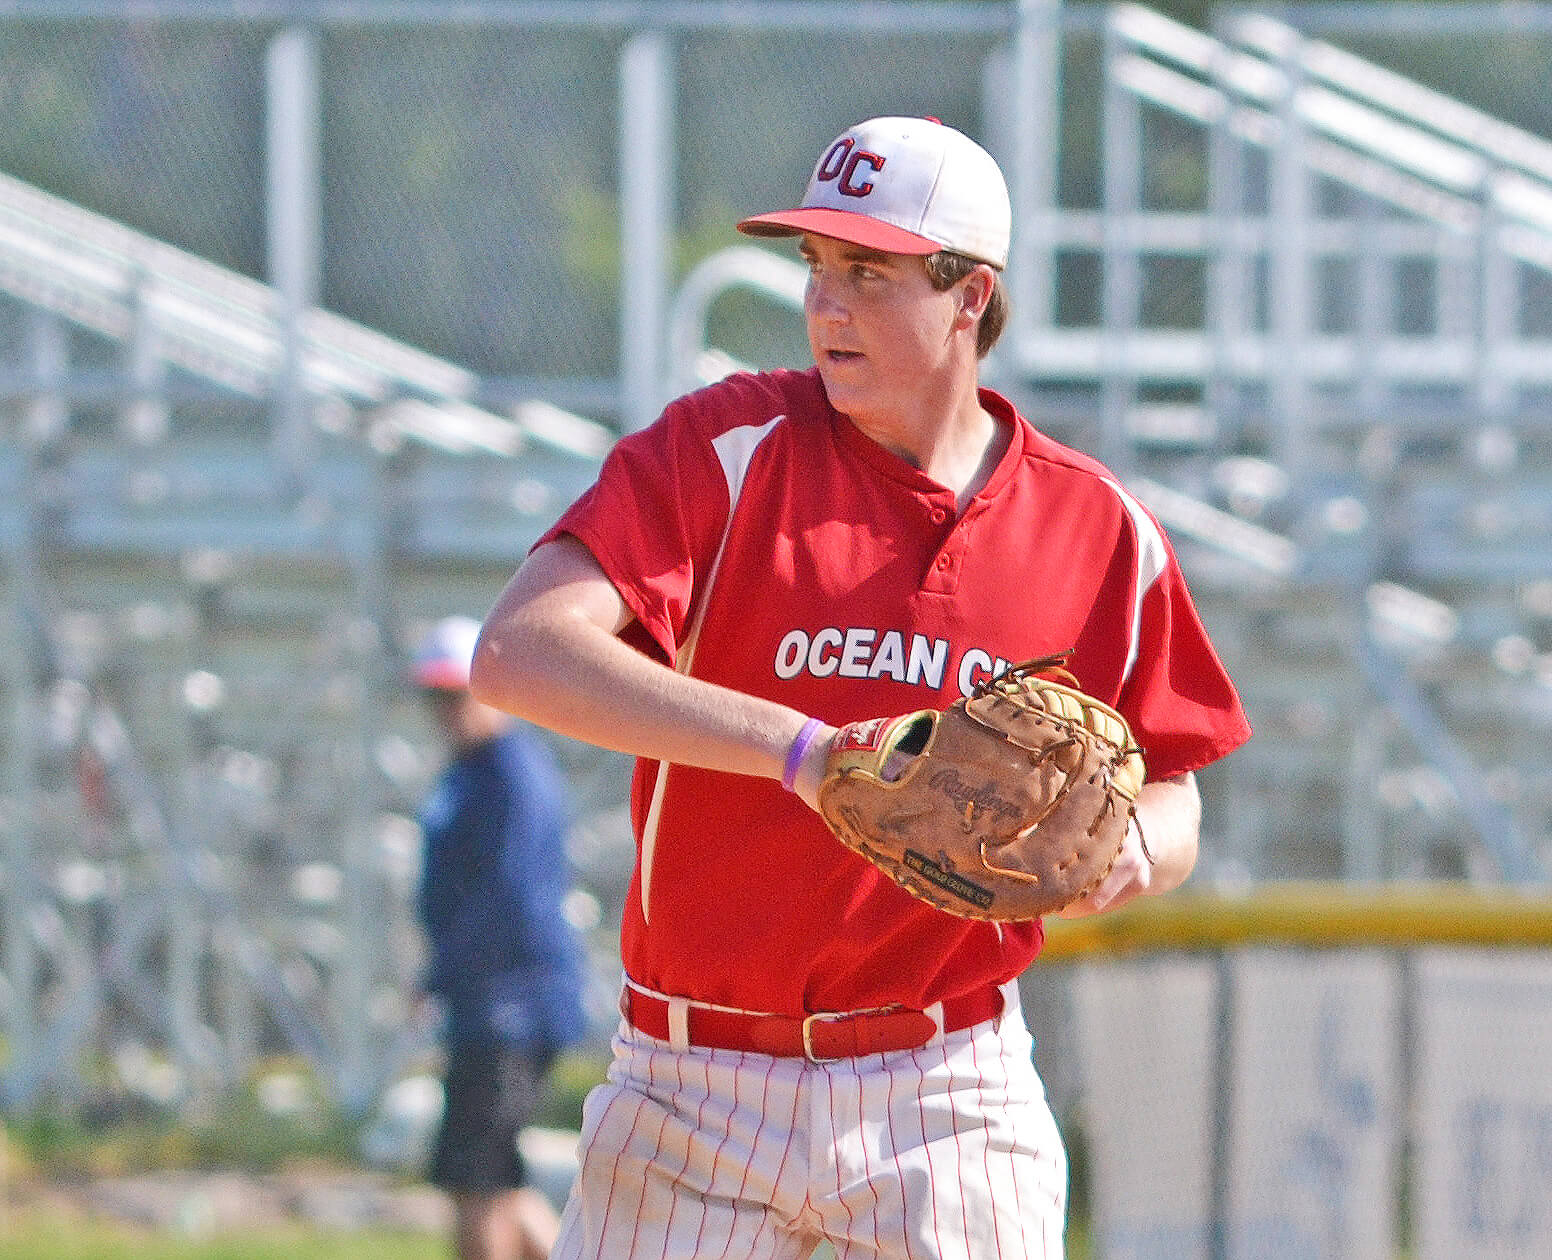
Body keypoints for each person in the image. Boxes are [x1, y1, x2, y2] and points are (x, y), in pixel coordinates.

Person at [471, 116, 1250, 1259]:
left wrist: (1133, 849)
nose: (826, 306)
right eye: (819, 270)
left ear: (970, 297)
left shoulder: (1097, 530)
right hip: (694, 1088)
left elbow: (1176, 784)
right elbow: (522, 649)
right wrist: (801, 753)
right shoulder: (728, 451)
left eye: (869, 274)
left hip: (947, 1092)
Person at [410, 614, 592, 1260]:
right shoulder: (475, 773)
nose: (445, 712)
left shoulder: (509, 775)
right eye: (435, 697)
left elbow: (506, 900)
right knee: (493, 1177)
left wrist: (449, 972)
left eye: (456, 695)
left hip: (508, 1004)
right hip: (487, 1003)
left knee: (476, 1181)